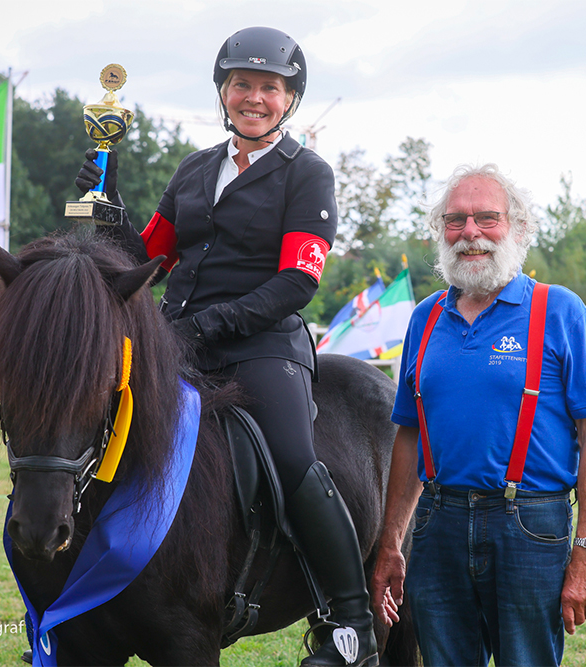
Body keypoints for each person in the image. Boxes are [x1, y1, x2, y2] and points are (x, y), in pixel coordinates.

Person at [75, 27, 377, 667]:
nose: (255, 97)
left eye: (271, 87)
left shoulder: (309, 175)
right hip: (174, 339)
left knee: (294, 459)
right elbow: (148, 254)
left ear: (289, 99)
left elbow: (298, 279)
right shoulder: (193, 169)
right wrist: (108, 205)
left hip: (262, 345)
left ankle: (348, 624)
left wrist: (211, 326)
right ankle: (78, 605)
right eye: (244, 84)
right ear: (224, 90)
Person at [370, 164, 586, 667]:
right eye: (455, 221)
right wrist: (392, 542)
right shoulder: (426, 317)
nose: (470, 234)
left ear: (518, 229)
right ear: (440, 233)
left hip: (528, 524)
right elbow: (409, 437)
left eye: (487, 218)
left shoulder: (560, 311)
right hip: (436, 525)